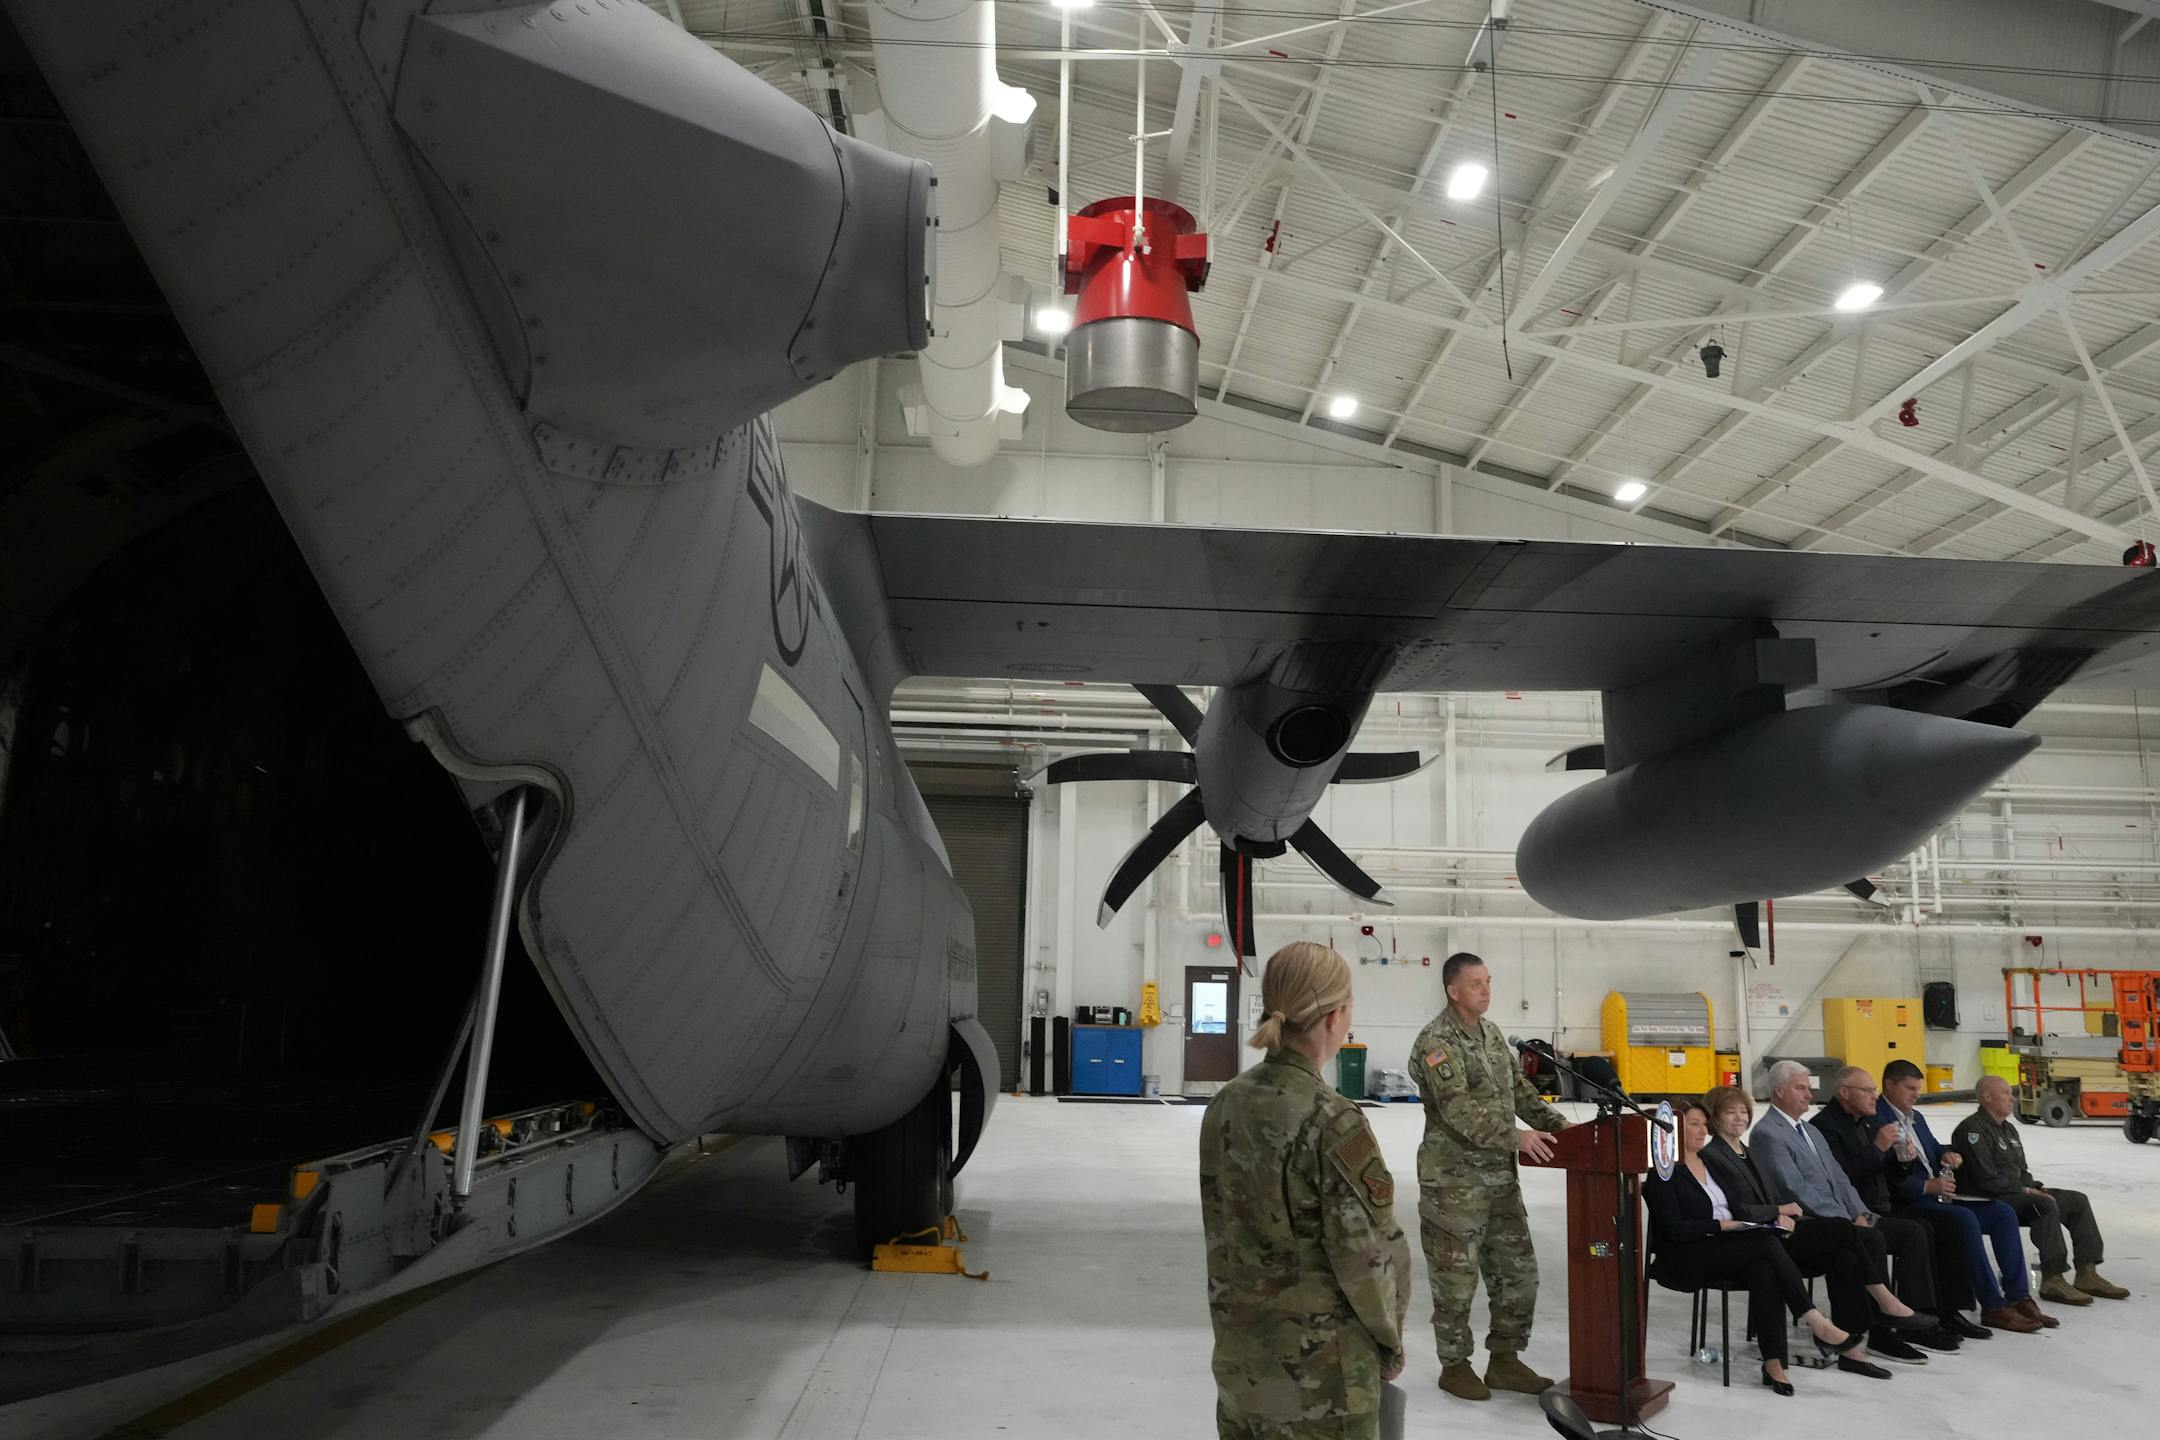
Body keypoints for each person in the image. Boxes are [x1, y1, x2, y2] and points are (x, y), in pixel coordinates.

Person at [1200, 941, 1413, 1440]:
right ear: (1335, 1017)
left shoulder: (1226, 1104)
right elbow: (1366, 1256)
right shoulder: (1333, 1120)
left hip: (1242, 1368)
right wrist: (1389, 1341)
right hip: (1322, 1388)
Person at [1409, 952, 1569, 1402]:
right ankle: (1454, 1366)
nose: (1486, 990)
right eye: (1476, 983)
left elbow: (1522, 1093)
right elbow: (1457, 1109)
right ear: (1453, 990)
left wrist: (1568, 1132)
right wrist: (1516, 1137)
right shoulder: (1436, 1042)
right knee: (1455, 1282)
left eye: (1488, 981)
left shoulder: (1493, 1035)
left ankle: (1505, 1360)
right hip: (1454, 1184)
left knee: (1518, 1274)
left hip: (1500, 1180)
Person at [1644, 1099, 1872, 1395]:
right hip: (1690, 1253)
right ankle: (1816, 1322)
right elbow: (1675, 1230)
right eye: (1693, 1124)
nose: (1702, 1130)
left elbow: (1739, 1207)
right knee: (1765, 1245)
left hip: (1732, 1243)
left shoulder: (1710, 1164)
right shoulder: (1663, 1173)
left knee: (1765, 1267)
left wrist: (1770, 1216)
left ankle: (1773, 1363)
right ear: (1673, 1129)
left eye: (1704, 1124)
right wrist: (1721, 1225)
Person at [1699, 1086, 1941, 1361]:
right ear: (1715, 1117)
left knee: (1846, 1255)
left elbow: (1776, 1193)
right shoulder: (1713, 1155)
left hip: (1781, 1226)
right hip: (1756, 1238)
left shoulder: (1747, 1151)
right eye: (1730, 1112)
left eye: (1743, 1112)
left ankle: (1850, 1346)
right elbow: (1736, 1208)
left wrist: (1780, 1211)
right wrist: (1777, 1211)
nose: (1739, 1118)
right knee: (1844, 1230)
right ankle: (1885, 1302)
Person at [1746, 1061, 1978, 1347]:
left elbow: (1840, 1178)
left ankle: (1916, 1320)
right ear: (1780, 1091)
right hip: (1809, 1222)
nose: (1809, 1094)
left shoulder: (1808, 1130)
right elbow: (1794, 1188)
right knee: (1871, 1239)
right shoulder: (1768, 1133)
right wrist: (1846, 1218)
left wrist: (1859, 1212)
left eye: (1808, 1088)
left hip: (1843, 1215)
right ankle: (1881, 1330)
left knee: (1912, 1232)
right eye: (1801, 1088)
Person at [1823, 1064, 2045, 1335]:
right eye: (1910, 1088)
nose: (1916, 1094)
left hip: (1938, 1191)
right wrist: (1925, 1186)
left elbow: (1930, 1147)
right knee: (1963, 1220)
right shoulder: (1875, 1117)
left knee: (2002, 1213)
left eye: (1918, 1088)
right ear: (1890, 1086)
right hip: (1910, 1198)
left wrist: (1946, 1154)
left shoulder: (1914, 1116)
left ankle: (2018, 1296)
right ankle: (1992, 1304)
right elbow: (1886, 1175)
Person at [1949, 1075, 2130, 1305]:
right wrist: (2025, 1191)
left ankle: (2087, 1272)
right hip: (1990, 1198)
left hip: (2018, 1192)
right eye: (2005, 1093)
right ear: (1987, 1097)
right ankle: (2053, 1278)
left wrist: (2034, 1187)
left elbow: (2022, 1170)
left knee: (2077, 1201)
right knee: (2043, 1205)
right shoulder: (1972, 1130)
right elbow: (1985, 1178)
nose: (2012, 1099)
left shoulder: (2008, 1129)